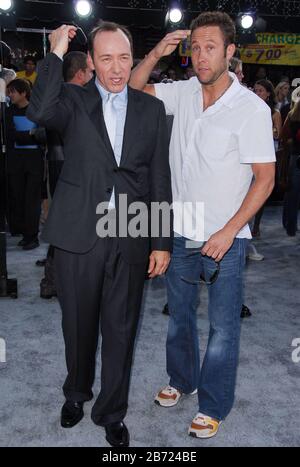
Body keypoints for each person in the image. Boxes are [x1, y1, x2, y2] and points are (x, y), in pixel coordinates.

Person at [129, 10, 275, 439]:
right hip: (178, 226)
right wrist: (157, 50)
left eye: (211, 46)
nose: (201, 54)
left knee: (223, 327)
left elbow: (266, 180)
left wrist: (230, 231)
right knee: (179, 316)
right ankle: (181, 380)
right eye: (195, 46)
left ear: (230, 52)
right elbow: (135, 88)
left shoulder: (251, 109)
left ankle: (213, 404)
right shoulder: (184, 92)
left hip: (224, 236)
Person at [27, 22, 172, 447]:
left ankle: (112, 411)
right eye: (106, 58)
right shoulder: (72, 100)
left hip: (130, 232)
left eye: (124, 57)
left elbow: (158, 176)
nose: (116, 68)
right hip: (77, 233)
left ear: (133, 58)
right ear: (91, 62)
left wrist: (160, 240)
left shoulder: (151, 110)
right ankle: (76, 393)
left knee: (121, 330)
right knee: (78, 326)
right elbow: (37, 111)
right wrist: (55, 52)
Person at [39, 51, 94, 298]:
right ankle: (53, 279)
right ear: (81, 73)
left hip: (60, 165)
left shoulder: (58, 96)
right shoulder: (71, 98)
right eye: (91, 71)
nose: (94, 76)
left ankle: (54, 279)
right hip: (67, 167)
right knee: (67, 224)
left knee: (69, 224)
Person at [5, 78, 45, 249]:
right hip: (16, 162)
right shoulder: (8, 112)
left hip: (34, 162)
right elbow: (10, 134)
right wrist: (29, 133)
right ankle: (24, 233)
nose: (10, 95)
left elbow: (41, 134)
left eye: (13, 91)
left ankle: (32, 237)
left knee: (32, 200)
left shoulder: (36, 111)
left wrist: (28, 135)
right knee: (19, 198)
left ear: (23, 93)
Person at [252, 79, 282, 238]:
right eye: (255, 91)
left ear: (268, 93)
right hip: (249, 155)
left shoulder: (274, 113)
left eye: (261, 91)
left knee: (260, 191)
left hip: (266, 156)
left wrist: (267, 132)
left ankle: (255, 225)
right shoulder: (249, 108)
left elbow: (279, 134)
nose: (257, 94)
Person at [281, 86, 300, 236]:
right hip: (296, 157)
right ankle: (290, 225)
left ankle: (290, 226)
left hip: (295, 157)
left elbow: (283, 135)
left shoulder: (292, 115)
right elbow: (283, 135)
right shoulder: (292, 115)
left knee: (293, 194)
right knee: (293, 193)